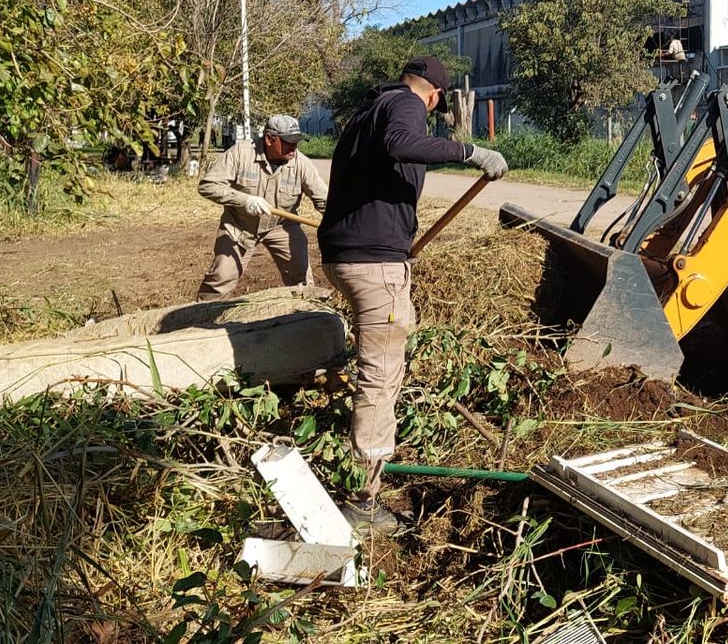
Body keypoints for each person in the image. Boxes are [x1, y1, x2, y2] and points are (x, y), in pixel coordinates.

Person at [317, 56, 508, 532]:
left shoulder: (367, 111)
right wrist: (469, 152)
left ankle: (365, 458)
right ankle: (363, 501)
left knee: (390, 344)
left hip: (348, 256)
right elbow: (402, 143)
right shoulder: (405, 105)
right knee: (379, 378)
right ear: (435, 96)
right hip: (372, 263)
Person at [195, 115, 328, 301]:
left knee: (302, 281)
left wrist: (342, 224)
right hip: (239, 227)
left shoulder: (301, 163)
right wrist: (245, 200)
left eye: (296, 141)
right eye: (288, 142)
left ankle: (307, 314)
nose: (294, 147)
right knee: (220, 280)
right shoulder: (241, 153)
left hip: (282, 226)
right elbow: (208, 186)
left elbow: (324, 201)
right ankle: (202, 315)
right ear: (269, 139)